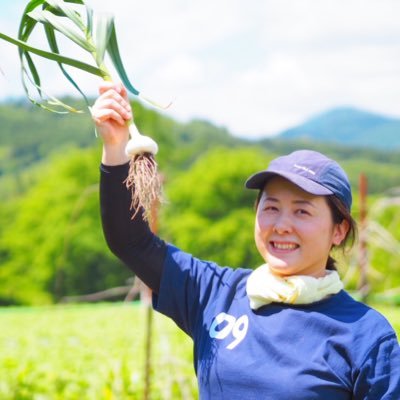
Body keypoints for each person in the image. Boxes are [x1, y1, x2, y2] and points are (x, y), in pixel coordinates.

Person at [92, 82, 400, 399]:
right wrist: (115, 147)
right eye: (271, 208)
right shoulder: (215, 293)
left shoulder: (365, 335)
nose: (282, 225)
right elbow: (130, 242)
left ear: (339, 231)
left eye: (302, 212)